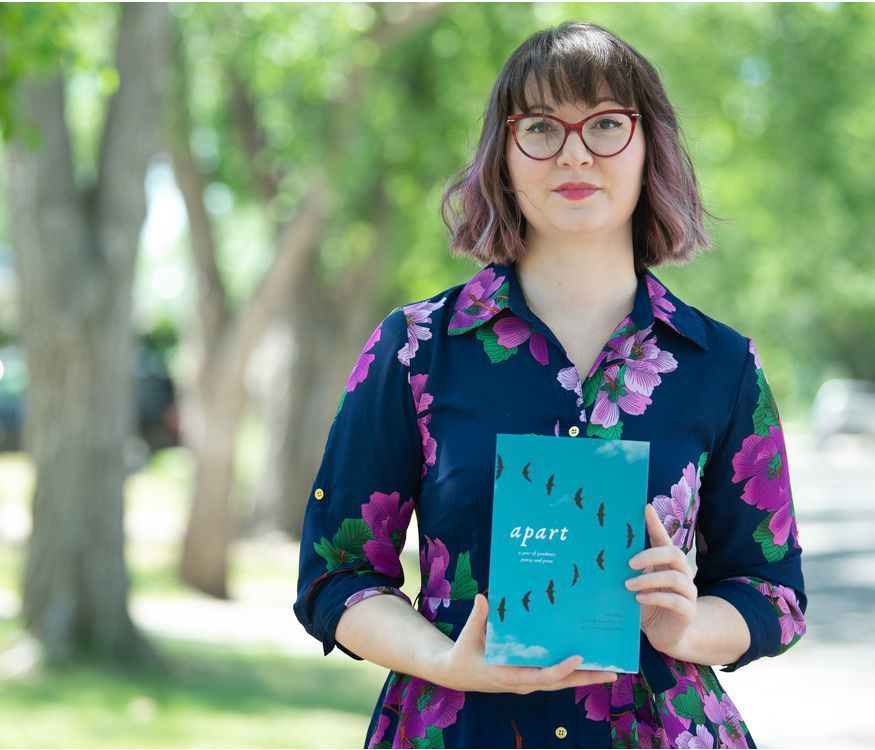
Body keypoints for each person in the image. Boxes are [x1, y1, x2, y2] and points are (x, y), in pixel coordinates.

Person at [293, 20, 807, 749]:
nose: (573, 152)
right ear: (503, 154)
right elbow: (334, 576)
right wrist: (447, 660)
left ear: (649, 145)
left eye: (604, 124)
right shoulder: (415, 350)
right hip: (459, 729)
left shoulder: (721, 366)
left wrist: (687, 623)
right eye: (539, 125)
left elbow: (773, 595)